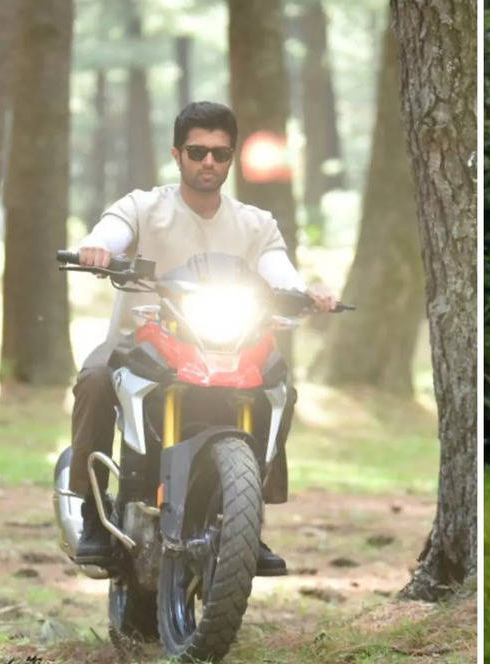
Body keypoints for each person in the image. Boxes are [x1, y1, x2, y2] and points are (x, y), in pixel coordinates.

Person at [69, 102, 337, 573]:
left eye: (220, 153)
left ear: (231, 158)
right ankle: (93, 511)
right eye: (197, 152)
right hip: (141, 340)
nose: (208, 162)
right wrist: (97, 246)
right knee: (94, 377)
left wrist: (304, 293)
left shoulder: (256, 223)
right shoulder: (144, 206)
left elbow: (281, 274)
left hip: (225, 345)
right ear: (177, 155)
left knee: (280, 388)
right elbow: (111, 231)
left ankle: (247, 520)